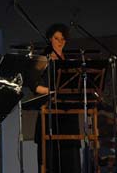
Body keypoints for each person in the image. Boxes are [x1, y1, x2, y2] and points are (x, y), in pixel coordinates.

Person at [29, 23, 81, 173]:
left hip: (68, 116)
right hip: (49, 115)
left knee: (71, 164)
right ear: (50, 39)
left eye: (63, 39)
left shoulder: (70, 60)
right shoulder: (43, 59)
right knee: (50, 163)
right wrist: (53, 91)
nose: (60, 42)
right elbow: (33, 85)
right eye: (56, 38)